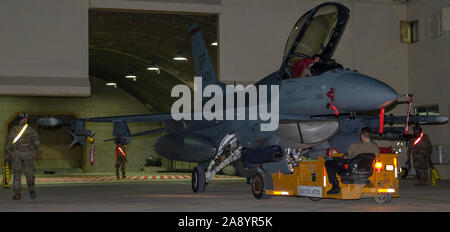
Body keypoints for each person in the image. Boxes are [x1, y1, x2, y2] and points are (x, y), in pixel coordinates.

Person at [325, 127, 379, 195]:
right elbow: (376, 157)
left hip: (352, 171)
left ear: (361, 136)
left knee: (328, 163)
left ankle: (335, 187)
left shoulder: (355, 145)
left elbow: (345, 157)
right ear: (369, 136)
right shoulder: (375, 147)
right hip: (367, 172)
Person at [5, 113, 40, 200]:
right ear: (24, 119)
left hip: (16, 155)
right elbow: (37, 143)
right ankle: (32, 191)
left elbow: (9, 144)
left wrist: (7, 155)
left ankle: (17, 194)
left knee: (17, 175)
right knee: (30, 174)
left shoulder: (13, 130)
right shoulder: (31, 130)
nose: (27, 120)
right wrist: (37, 153)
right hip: (28, 155)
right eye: (26, 119)